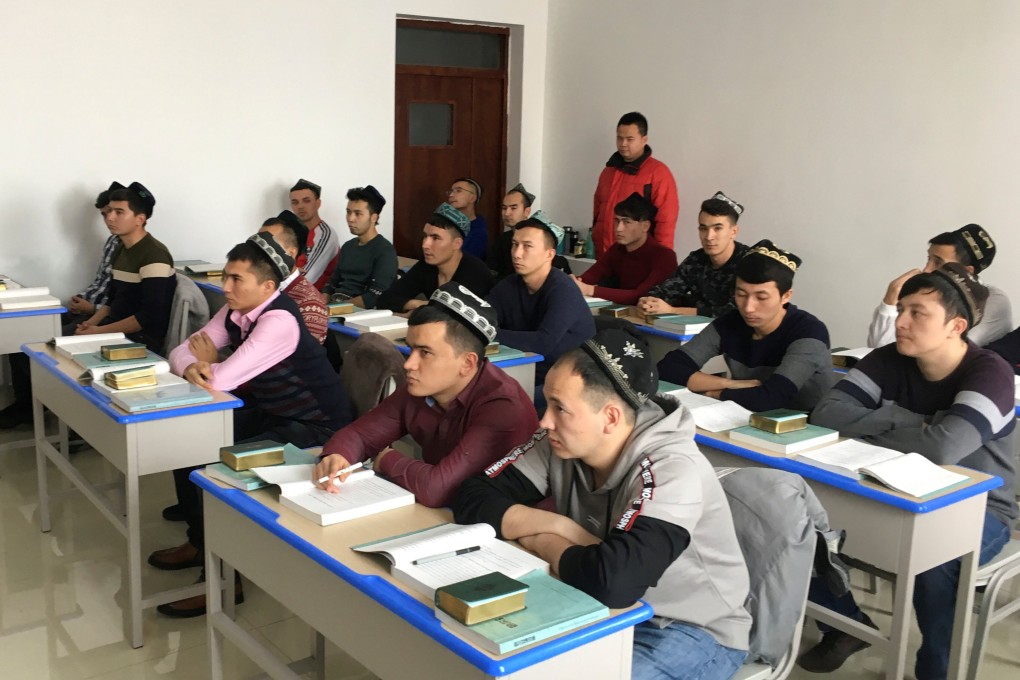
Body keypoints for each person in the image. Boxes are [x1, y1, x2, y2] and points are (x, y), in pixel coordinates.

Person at [453, 327, 752, 680]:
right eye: (547, 403)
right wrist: (560, 527)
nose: (544, 421)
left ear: (610, 417)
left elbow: (616, 584)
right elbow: (471, 497)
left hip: (685, 626)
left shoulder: (672, 469)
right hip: (588, 601)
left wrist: (537, 537)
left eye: (559, 408)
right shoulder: (560, 440)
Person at [804, 263, 1017, 679]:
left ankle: (934, 670)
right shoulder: (890, 359)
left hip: (980, 508)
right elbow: (826, 413)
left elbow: (944, 447)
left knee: (938, 560)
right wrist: (908, 421)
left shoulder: (990, 373)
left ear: (955, 326)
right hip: (889, 486)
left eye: (917, 313)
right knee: (795, 523)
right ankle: (844, 625)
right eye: (901, 309)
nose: (900, 322)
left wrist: (878, 420)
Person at [150, 233, 352, 618]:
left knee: (213, 468)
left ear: (267, 287)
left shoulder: (279, 320)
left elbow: (222, 380)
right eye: (225, 277)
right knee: (184, 444)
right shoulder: (236, 312)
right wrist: (194, 364)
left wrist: (206, 367)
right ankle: (200, 541)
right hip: (276, 414)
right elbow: (179, 350)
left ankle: (227, 580)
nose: (225, 287)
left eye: (236, 279)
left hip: (316, 429)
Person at [313, 283, 539, 507]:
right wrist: (337, 456)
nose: (409, 364)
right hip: (442, 516)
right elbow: (360, 435)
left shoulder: (503, 406)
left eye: (425, 353)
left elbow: (438, 489)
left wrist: (385, 458)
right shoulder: (422, 387)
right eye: (411, 349)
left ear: (467, 363)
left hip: (499, 530)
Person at [0, 182, 126, 429]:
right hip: (92, 309)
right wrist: (82, 299)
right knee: (21, 337)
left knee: (37, 347)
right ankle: (26, 405)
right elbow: (101, 283)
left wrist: (91, 311)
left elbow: (119, 301)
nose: (109, 219)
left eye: (116, 212)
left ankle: (54, 407)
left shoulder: (137, 250)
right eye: (104, 214)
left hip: (104, 319)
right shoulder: (113, 242)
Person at [657, 240, 835, 412]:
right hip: (743, 415)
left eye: (761, 298)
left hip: (808, 427)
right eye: (741, 294)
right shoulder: (730, 323)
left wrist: (715, 393)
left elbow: (769, 398)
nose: (748, 307)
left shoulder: (809, 333)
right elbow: (668, 368)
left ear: (786, 296)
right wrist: (731, 384)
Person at [487, 212, 595, 383]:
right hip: (527, 371)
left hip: (571, 379)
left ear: (549, 254)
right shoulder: (509, 285)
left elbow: (542, 343)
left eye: (527, 246)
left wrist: (490, 333)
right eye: (514, 245)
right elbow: (482, 318)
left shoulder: (563, 289)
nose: (517, 254)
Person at [867, 224, 1011, 348]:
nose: (926, 270)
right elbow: (880, 352)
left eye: (938, 262)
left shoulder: (993, 300)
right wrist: (890, 300)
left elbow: (945, 352)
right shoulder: (927, 294)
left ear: (967, 271)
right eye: (928, 259)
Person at [75, 182, 176, 353]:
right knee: (49, 344)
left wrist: (98, 332)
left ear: (140, 219)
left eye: (119, 212)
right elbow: (112, 302)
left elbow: (148, 318)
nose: (110, 218)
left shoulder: (155, 255)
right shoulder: (120, 249)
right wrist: (90, 324)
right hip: (112, 330)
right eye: (108, 212)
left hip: (140, 341)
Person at [639, 191, 750, 318]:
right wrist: (649, 301)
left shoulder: (749, 262)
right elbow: (668, 289)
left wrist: (673, 310)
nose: (709, 236)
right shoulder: (696, 259)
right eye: (703, 229)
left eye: (717, 228)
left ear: (734, 231)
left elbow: (734, 313)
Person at [591, 111, 679, 257]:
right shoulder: (608, 172)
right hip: (605, 257)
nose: (623, 144)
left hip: (639, 259)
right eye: (619, 138)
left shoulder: (658, 174)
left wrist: (661, 261)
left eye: (629, 139)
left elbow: (666, 223)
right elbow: (597, 213)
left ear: (644, 140)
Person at [376, 204, 492, 312]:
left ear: (457, 244)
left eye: (435, 238)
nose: (425, 245)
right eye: (425, 236)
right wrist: (417, 304)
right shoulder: (427, 265)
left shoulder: (476, 272)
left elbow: (454, 315)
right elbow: (385, 299)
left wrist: (421, 310)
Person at [572, 192, 676, 305]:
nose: (618, 228)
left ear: (645, 226)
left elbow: (640, 296)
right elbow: (590, 276)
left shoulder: (664, 256)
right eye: (617, 221)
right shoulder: (618, 249)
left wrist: (588, 289)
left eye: (626, 222)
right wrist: (574, 282)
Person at [257, 210, 328, 344]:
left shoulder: (310, 304)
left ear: (290, 253)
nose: (258, 253)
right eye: (258, 245)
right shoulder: (257, 288)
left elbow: (301, 360)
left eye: (268, 247)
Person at [321, 185, 397, 309]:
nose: (350, 219)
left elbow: (375, 296)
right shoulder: (348, 247)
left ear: (374, 217)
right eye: (348, 212)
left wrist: (337, 308)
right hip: (335, 307)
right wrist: (323, 302)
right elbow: (332, 283)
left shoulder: (385, 251)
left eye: (358, 214)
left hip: (360, 313)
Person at [488, 183, 571, 281]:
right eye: (504, 208)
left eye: (513, 208)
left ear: (527, 211)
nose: (507, 213)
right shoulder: (502, 240)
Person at [289, 178, 340, 290]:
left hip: (316, 299)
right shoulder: (290, 233)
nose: (300, 206)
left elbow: (307, 277)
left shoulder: (326, 234)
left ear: (318, 203)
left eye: (306, 201)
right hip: (291, 295)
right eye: (295, 202)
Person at [448, 177, 489, 260]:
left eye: (458, 191)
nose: (451, 195)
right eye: (451, 191)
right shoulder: (446, 223)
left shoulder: (479, 231)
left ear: (472, 198)